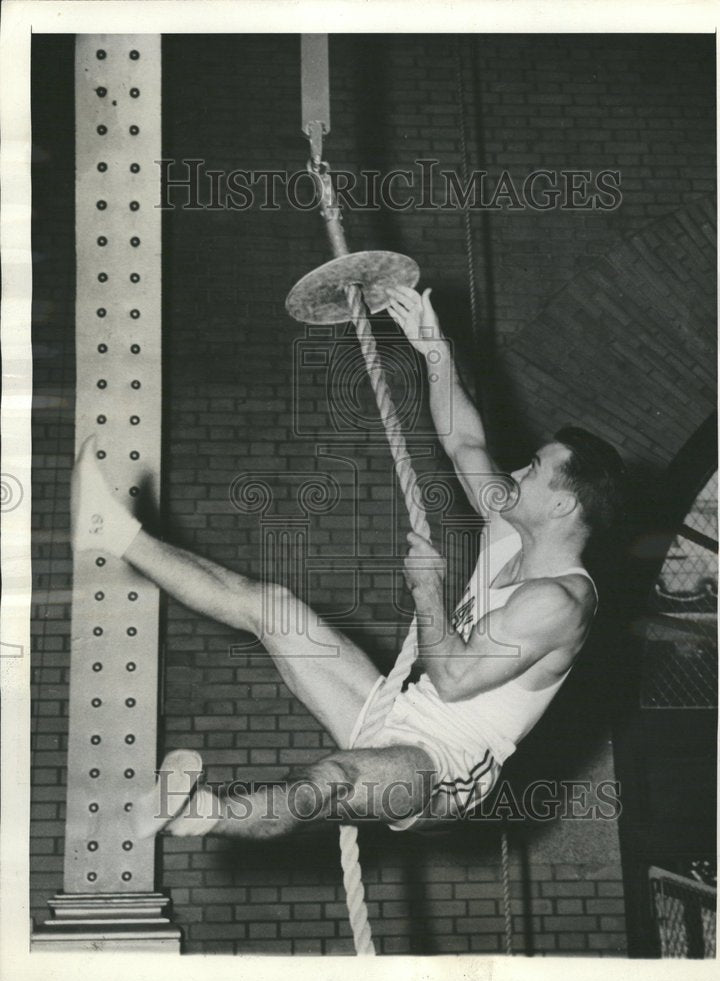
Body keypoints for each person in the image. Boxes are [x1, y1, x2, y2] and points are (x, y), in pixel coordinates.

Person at [71, 285, 626, 839]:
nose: (518, 473)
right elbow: (465, 444)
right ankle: (109, 530)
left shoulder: (559, 601)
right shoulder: (511, 528)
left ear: (561, 505)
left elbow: (455, 680)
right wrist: (433, 349)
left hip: (446, 767)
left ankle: (205, 814)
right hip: (394, 711)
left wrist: (428, 591)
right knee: (271, 608)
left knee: (331, 780)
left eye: (533, 468)